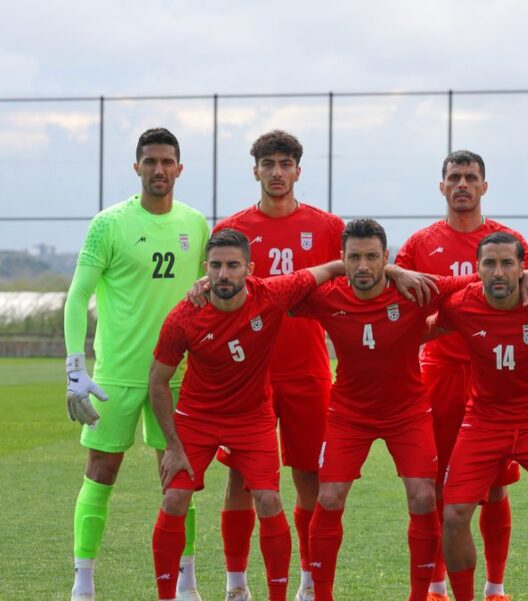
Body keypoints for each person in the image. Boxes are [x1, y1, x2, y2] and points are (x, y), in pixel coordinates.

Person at [290, 218, 528, 601]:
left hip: (407, 412)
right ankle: (320, 595)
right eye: (354, 258)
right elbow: (277, 292)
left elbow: (482, 282)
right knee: (328, 498)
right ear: (341, 260)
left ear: (385, 256)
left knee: (424, 496)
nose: (363, 266)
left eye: (372, 257)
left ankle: (421, 595)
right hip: (349, 413)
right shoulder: (328, 296)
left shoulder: (415, 292)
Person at [149, 229, 343, 601]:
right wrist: (172, 446)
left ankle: (276, 596)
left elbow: (332, 267)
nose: (224, 275)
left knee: (269, 500)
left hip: (252, 418)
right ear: (205, 269)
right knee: (174, 499)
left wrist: (395, 272)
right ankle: (167, 596)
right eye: (217, 266)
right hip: (197, 417)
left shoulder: (271, 293)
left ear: (249, 269)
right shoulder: (184, 316)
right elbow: (157, 381)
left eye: (233, 266)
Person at [63, 127, 210, 601]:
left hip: (177, 375)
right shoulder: (109, 224)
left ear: (180, 169)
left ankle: (186, 583)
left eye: (168, 162)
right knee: (101, 472)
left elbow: (207, 294)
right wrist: (74, 367)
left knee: (179, 476)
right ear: (137, 167)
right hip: (116, 375)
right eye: (151, 161)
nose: (159, 170)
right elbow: (78, 295)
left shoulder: (196, 223)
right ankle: (83, 581)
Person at [394, 150, 528, 601]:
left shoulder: (508, 240)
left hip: (495, 374)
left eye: (470, 177)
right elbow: (395, 286)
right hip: (439, 371)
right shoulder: (420, 243)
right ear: (441, 186)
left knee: (495, 487)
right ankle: (436, 585)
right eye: (453, 177)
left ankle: (495, 587)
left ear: (484, 186)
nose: (462, 184)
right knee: (436, 483)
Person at [211, 130, 344, 601]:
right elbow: (218, 294)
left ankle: (309, 582)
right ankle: (236, 584)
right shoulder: (232, 229)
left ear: (298, 171)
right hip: (251, 374)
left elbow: (351, 283)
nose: (277, 172)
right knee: (243, 478)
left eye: (285, 163)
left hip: (308, 370)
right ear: (256, 171)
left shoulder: (328, 227)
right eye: (268, 164)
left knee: (310, 477)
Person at [433, 232, 528, 601]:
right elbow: (420, 329)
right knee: (453, 516)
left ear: (523, 268)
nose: (498, 272)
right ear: (477, 269)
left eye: (507, 263)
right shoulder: (460, 305)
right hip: (484, 421)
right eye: (490, 263)